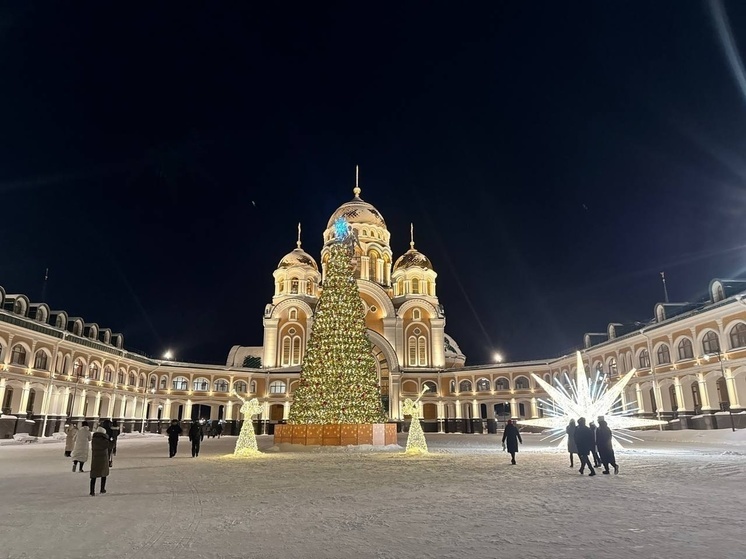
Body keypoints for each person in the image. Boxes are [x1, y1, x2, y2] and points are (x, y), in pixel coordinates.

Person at [89, 426, 110, 496]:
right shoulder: (104, 440)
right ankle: (102, 489)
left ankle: (92, 491)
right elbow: (109, 445)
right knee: (103, 474)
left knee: (94, 475)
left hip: (95, 458)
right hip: (103, 458)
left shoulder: (94, 439)